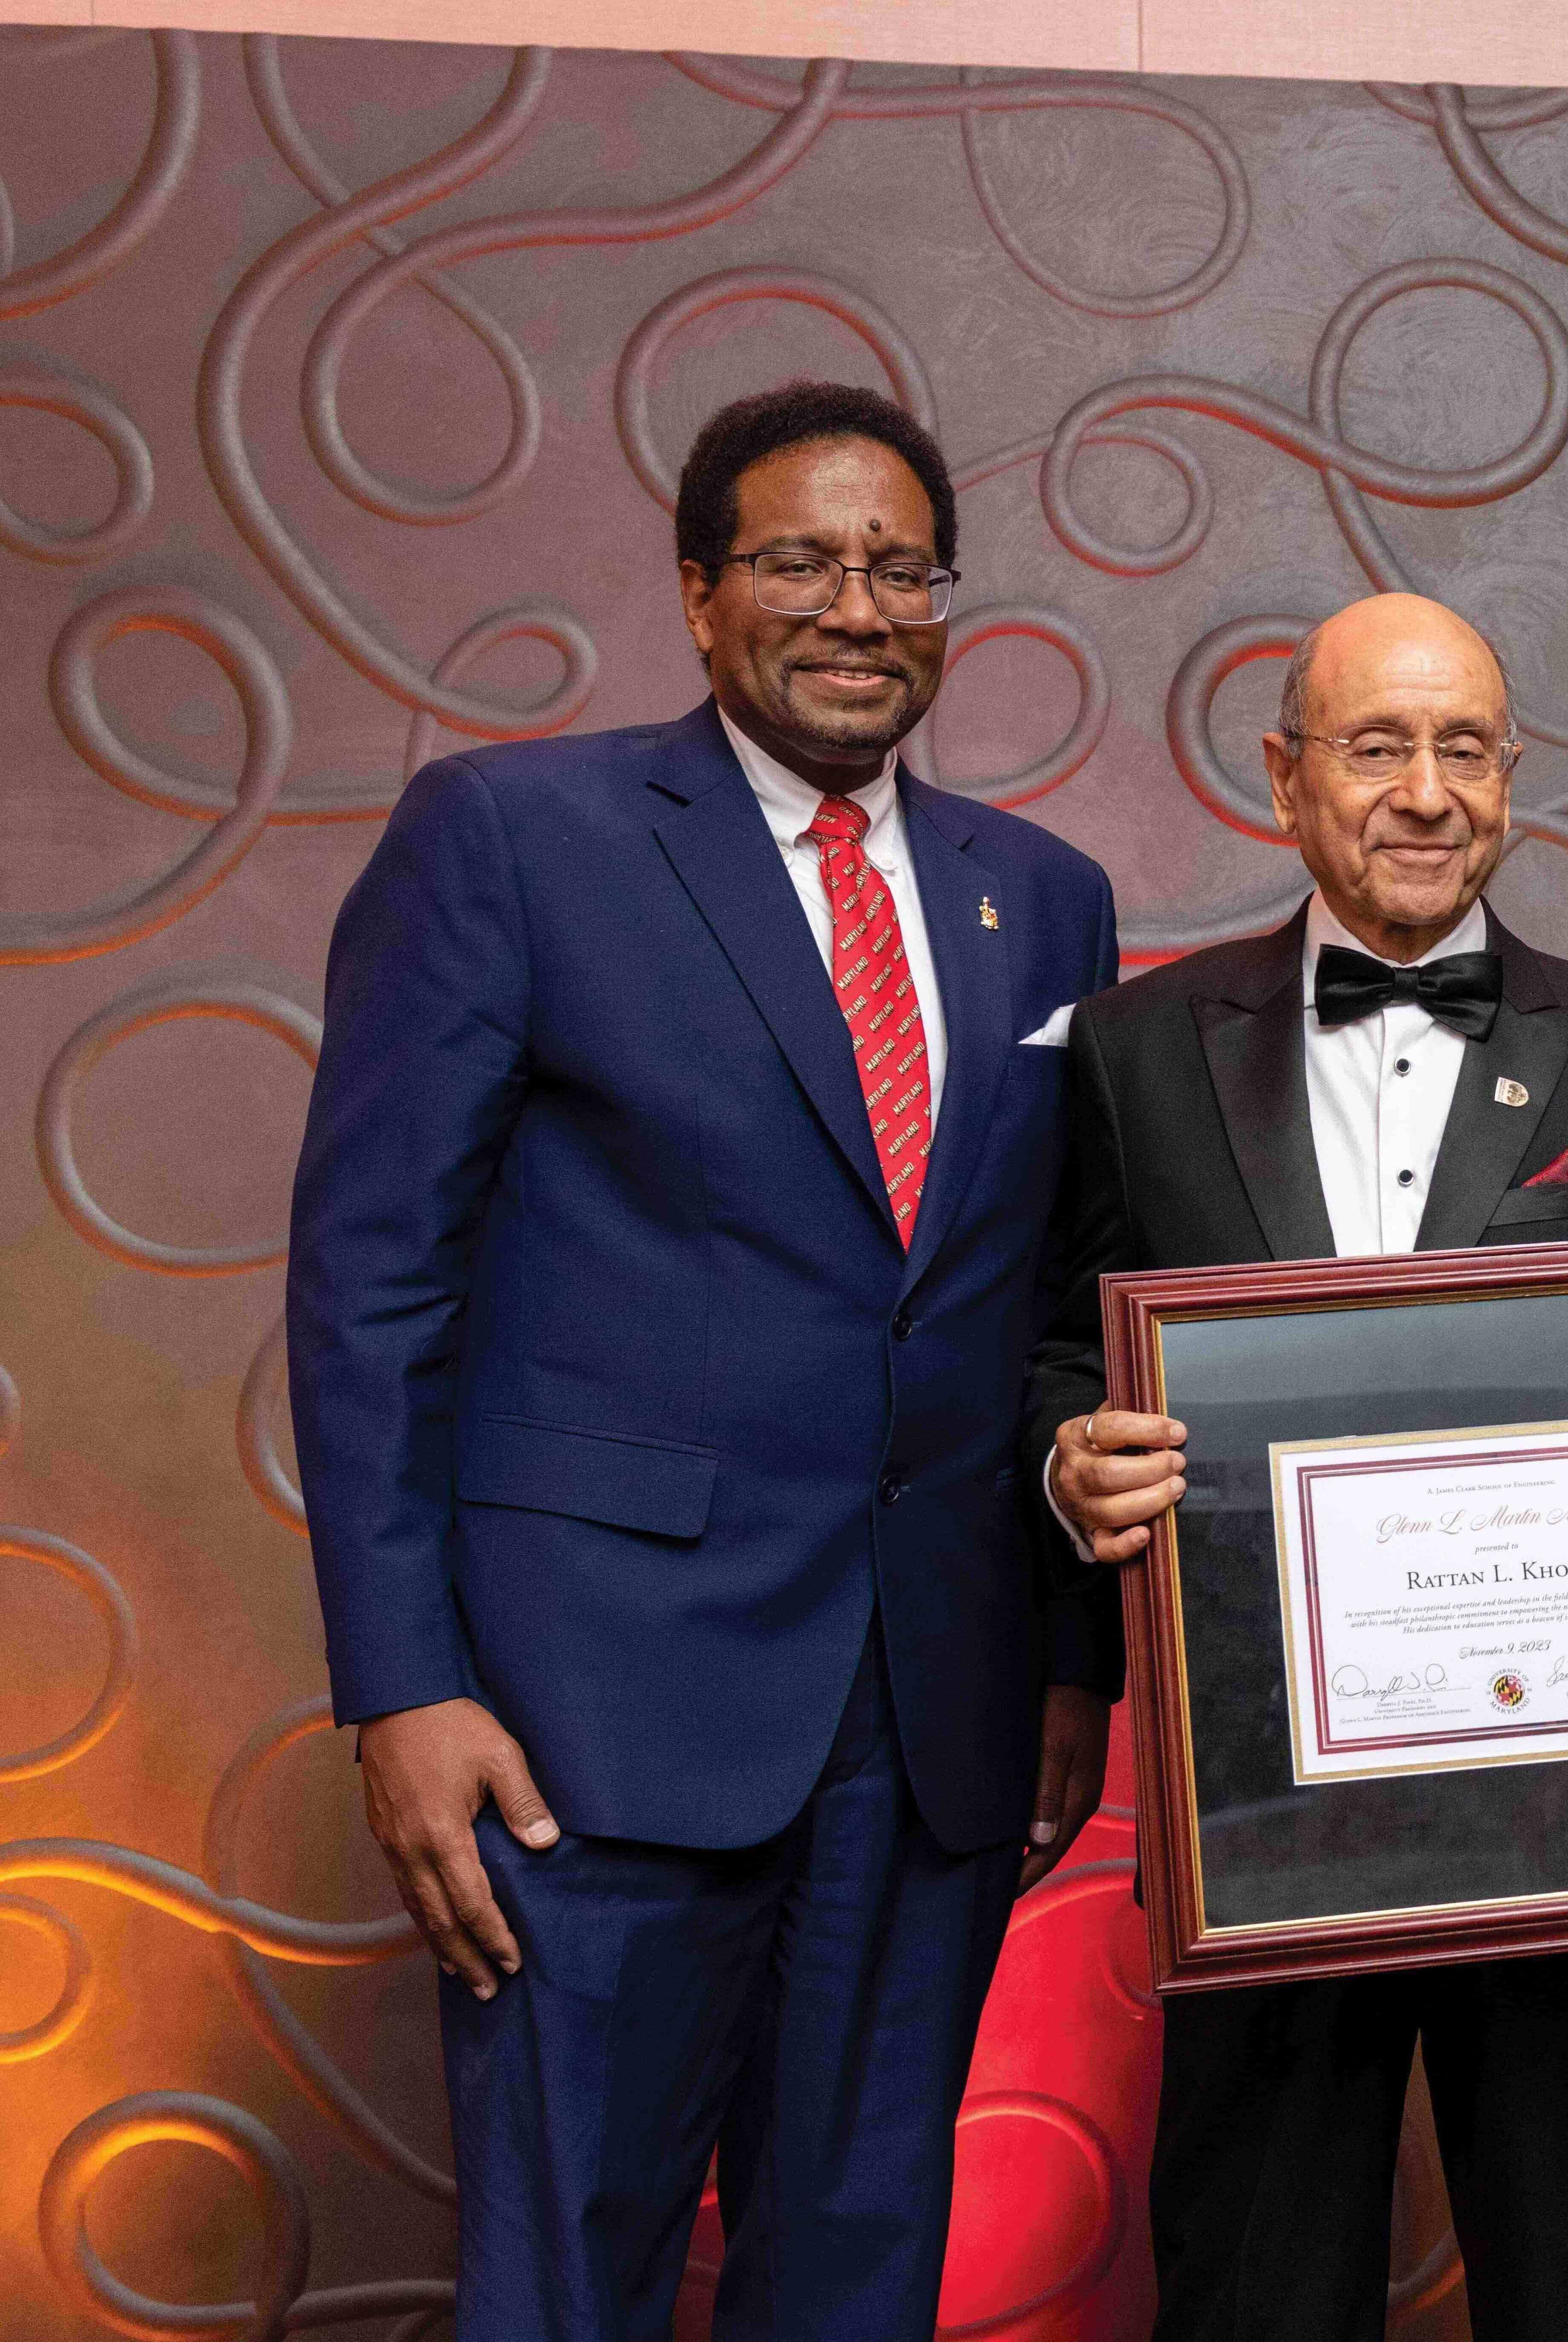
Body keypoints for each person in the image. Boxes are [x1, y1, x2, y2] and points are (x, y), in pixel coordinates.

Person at [286, 381, 1119, 2340]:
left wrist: (1070, 1657)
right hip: (592, 1722)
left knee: (855, 2276)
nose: (855, 603)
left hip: (932, 1731)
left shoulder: (1045, 896)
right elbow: (371, 1282)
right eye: (800, 559)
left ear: (947, 601)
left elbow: (1057, 1309)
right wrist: (403, 1684)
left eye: (899, 564)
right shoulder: (512, 837)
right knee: (571, 2272)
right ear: (696, 590)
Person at [1025, 591, 1568, 2342]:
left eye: (1465, 747)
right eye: (1377, 745)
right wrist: (1065, 1460)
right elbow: (1056, 1345)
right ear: (1284, 779)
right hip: (1253, 1810)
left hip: (1563, 1816)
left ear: (1512, 781)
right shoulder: (1132, 1052)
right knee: (1259, 2291)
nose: (1426, 791)